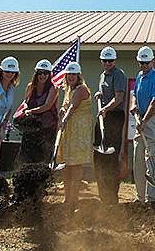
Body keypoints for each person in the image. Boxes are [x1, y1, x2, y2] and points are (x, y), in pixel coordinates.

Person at [130, 45, 155, 203]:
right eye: (141, 63)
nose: (144, 66)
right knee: (138, 159)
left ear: (152, 62)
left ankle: (151, 199)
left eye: (147, 63)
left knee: (151, 160)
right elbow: (134, 94)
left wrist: (144, 121)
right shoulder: (139, 76)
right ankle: (140, 197)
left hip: (153, 120)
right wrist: (133, 104)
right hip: (140, 120)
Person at [93, 47, 127, 204]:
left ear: (115, 60)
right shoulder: (102, 75)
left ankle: (112, 197)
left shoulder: (119, 74)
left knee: (111, 157)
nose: (107, 63)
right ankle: (103, 195)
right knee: (99, 157)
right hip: (103, 116)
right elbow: (107, 94)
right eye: (104, 61)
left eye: (110, 61)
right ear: (101, 61)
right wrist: (100, 94)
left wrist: (106, 108)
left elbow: (119, 97)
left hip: (114, 117)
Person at [57, 62, 92, 209]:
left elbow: (73, 106)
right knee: (66, 166)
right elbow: (67, 106)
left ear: (78, 76)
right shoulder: (68, 90)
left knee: (76, 166)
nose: (71, 77)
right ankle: (67, 197)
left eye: (74, 74)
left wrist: (64, 118)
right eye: (69, 74)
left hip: (79, 134)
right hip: (69, 132)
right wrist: (62, 112)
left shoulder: (81, 89)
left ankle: (74, 199)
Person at [18, 59, 58, 164]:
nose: (43, 76)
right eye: (40, 73)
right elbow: (26, 101)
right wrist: (26, 108)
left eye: (46, 73)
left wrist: (30, 111)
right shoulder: (30, 86)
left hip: (46, 128)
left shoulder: (53, 88)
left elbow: (47, 106)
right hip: (31, 127)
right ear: (36, 74)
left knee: (43, 156)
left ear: (49, 74)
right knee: (27, 155)